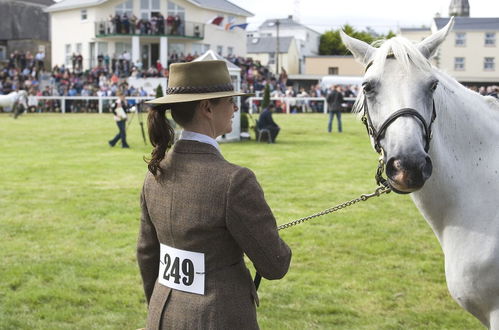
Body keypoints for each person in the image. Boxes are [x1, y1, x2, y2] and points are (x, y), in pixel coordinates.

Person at [137, 60, 292, 329]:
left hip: (162, 315)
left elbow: (147, 255)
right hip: (218, 318)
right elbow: (274, 264)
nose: (235, 107)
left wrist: (162, 306)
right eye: (230, 100)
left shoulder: (155, 172)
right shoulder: (235, 180)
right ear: (207, 107)